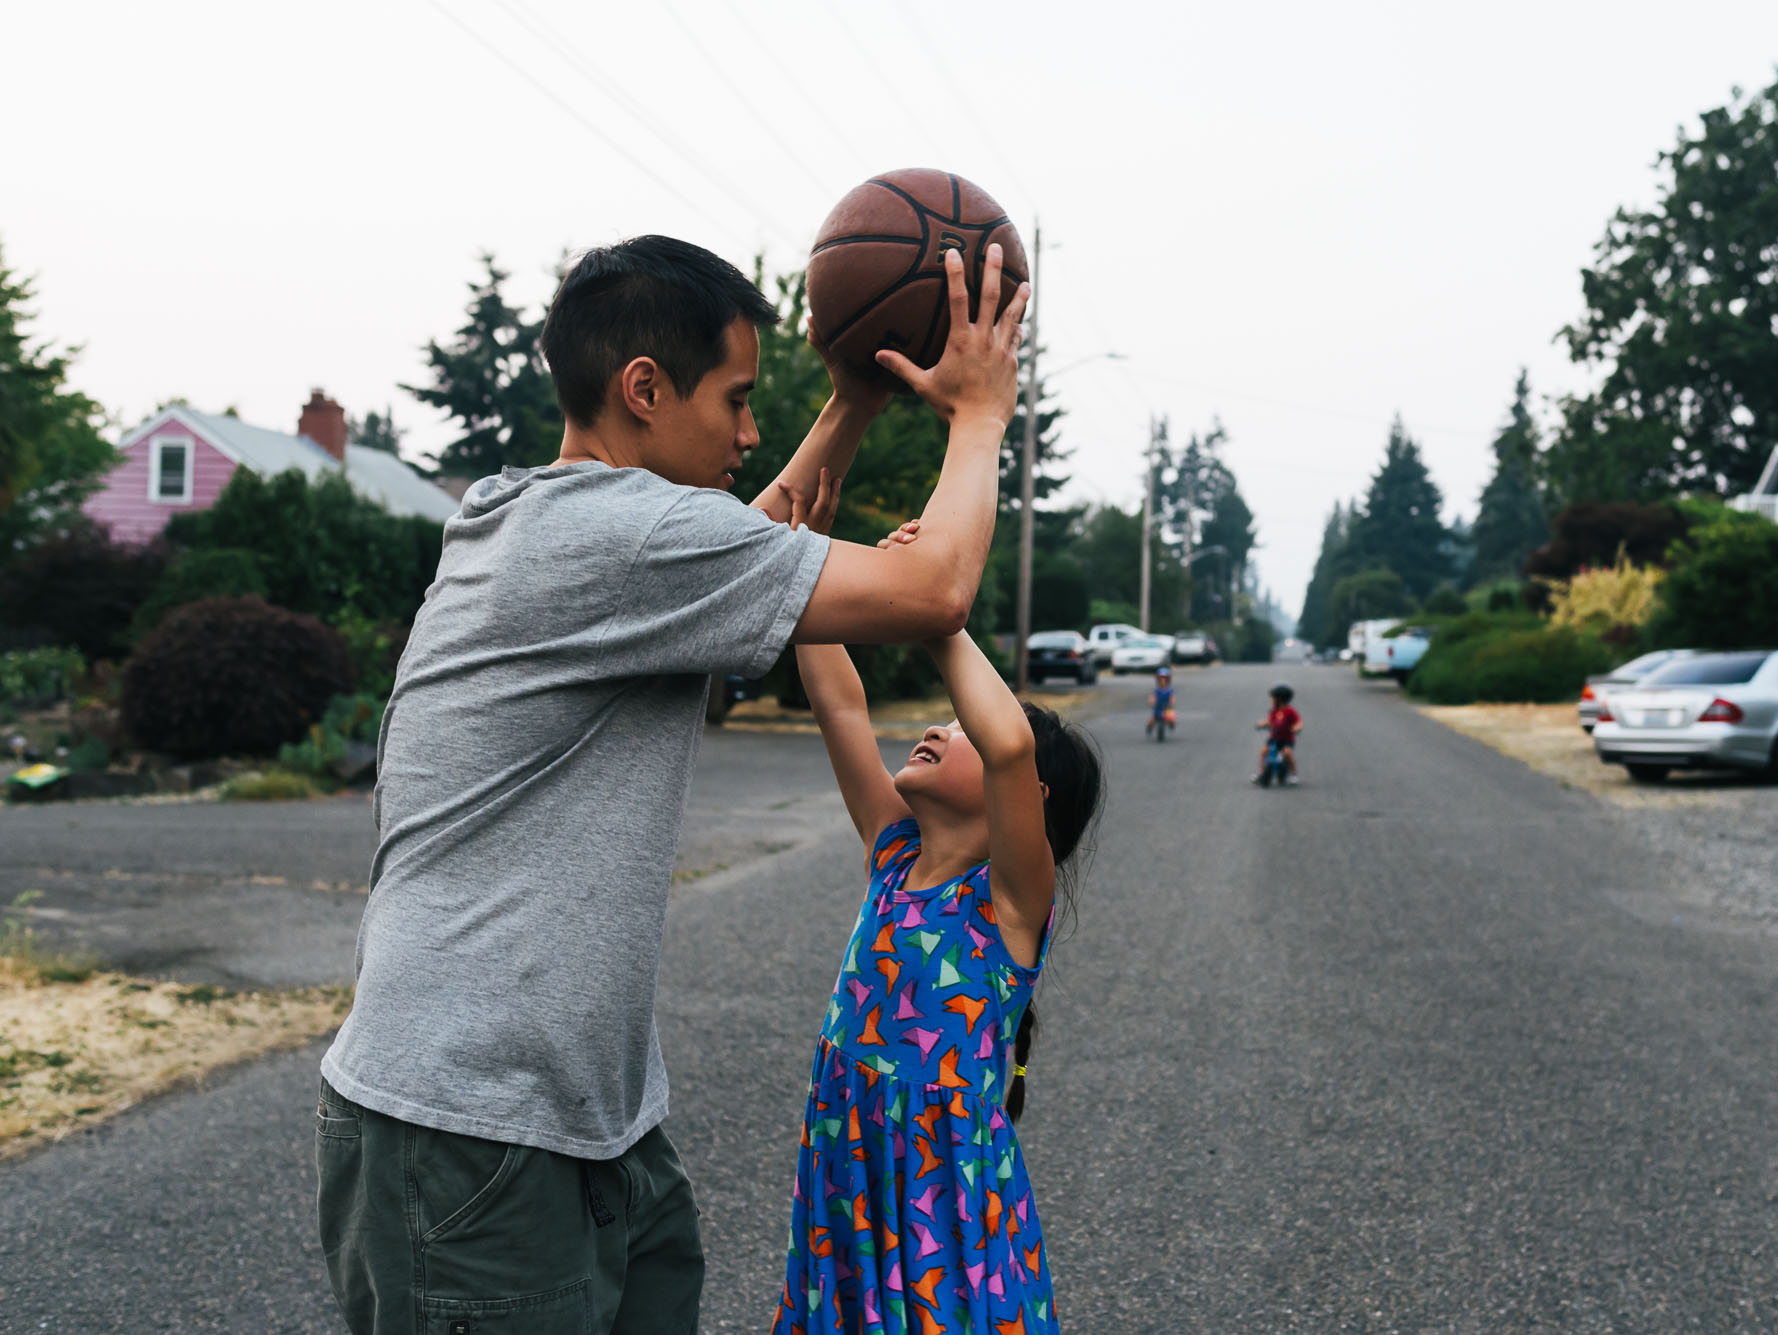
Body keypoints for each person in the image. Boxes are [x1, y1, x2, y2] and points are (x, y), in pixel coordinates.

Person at [314, 235, 1027, 1335]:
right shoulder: (619, 537)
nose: (752, 432)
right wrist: (978, 415)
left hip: (591, 1119)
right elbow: (932, 590)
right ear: (643, 389)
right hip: (471, 1130)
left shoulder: (553, 517)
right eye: (738, 402)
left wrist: (850, 401)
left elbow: (750, 542)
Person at [774, 530, 1105, 1334]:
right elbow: (839, 698)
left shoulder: (1010, 904)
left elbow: (1009, 739)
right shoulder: (892, 855)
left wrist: (938, 613)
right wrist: (799, 557)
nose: (938, 727)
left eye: (960, 726)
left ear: (1030, 795)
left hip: (941, 1210)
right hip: (849, 1178)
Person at [1254, 682, 1302, 783]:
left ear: (1280, 700)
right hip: (1274, 737)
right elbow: (1269, 721)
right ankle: (1260, 773)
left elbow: (1298, 722)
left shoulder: (1290, 711)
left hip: (1287, 739)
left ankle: (1293, 774)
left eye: (1273, 698)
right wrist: (1261, 724)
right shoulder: (1274, 711)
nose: (1271, 700)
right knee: (1264, 751)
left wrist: (1296, 728)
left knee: (1287, 753)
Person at [1149, 665, 1175, 738]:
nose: (1162, 681)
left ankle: (1171, 724)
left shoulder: (1170, 690)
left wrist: (1172, 702)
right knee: (1152, 720)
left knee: (1171, 718)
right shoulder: (1156, 690)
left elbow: (1172, 697)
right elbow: (1153, 697)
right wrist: (1152, 702)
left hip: (1167, 707)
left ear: (1168, 680)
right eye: (1160, 679)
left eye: (1165, 679)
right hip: (1158, 707)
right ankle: (1149, 727)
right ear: (1158, 680)